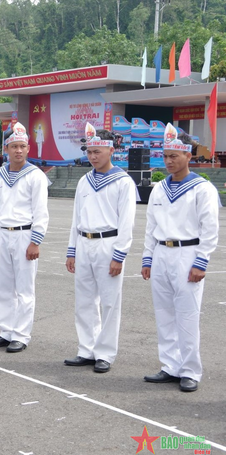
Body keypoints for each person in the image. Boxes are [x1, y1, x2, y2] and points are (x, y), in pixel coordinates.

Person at [141, 124, 219, 392]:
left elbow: (210, 230)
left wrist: (201, 261)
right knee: (164, 313)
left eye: (175, 155)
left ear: (188, 155)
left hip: (188, 254)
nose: (169, 161)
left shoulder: (202, 188)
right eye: (166, 156)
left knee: (187, 315)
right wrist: (147, 258)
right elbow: (150, 227)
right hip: (162, 252)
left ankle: (190, 370)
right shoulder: (160, 188)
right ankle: (170, 365)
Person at [63, 123, 136, 371]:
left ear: (111, 150)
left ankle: (105, 353)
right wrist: (72, 250)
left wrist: (119, 255)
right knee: (84, 300)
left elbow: (126, 222)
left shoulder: (123, 182)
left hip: (108, 243)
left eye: (98, 151)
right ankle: (87, 348)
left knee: (109, 301)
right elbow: (76, 217)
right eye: (90, 151)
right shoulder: (84, 181)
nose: (93, 156)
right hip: (84, 242)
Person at [0, 122, 49, 353]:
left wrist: (35, 241)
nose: (18, 151)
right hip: (2, 234)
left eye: (22, 146)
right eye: (13, 146)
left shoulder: (36, 176)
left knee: (24, 288)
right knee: (3, 287)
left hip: (24, 235)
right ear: (6, 149)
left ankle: (20, 334)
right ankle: (6, 330)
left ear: (28, 148)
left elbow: (41, 211)